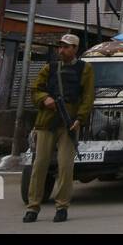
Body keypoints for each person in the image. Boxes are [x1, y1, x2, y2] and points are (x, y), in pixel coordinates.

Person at [24, 34, 95, 224]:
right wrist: (44, 99)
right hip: (46, 122)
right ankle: (33, 207)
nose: (61, 50)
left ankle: (62, 206)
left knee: (65, 167)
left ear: (75, 49)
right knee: (40, 165)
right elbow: (35, 89)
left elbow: (88, 97)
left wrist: (80, 119)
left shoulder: (85, 69)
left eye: (65, 47)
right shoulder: (50, 68)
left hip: (69, 123)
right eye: (60, 47)